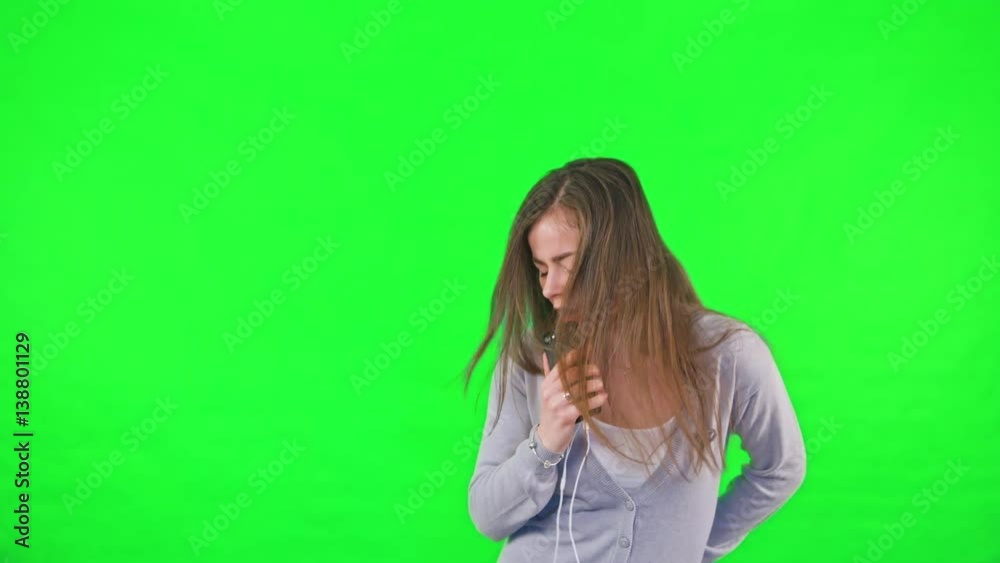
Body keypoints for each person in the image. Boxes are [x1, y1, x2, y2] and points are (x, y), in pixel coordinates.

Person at [462, 157, 806, 562]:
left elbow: (782, 468)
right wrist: (547, 440)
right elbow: (487, 516)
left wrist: (694, 547)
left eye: (565, 265)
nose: (549, 289)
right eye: (540, 270)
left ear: (619, 255)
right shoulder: (530, 360)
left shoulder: (726, 355)